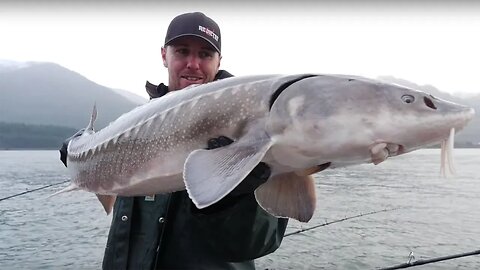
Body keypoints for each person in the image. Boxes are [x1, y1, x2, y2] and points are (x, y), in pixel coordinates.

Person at [60, 12, 288, 270]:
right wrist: (75, 157)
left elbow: (258, 243)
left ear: (218, 61)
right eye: (182, 51)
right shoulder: (134, 126)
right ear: (164, 55)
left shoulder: (254, 126)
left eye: (205, 54)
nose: (193, 63)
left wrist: (233, 196)